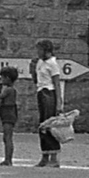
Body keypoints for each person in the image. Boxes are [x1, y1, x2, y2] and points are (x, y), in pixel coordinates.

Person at [30, 39, 64, 168]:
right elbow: (36, 80)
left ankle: (54, 158)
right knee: (42, 126)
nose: (38, 52)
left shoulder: (52, 64)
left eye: (40, 50)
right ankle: (44, 156)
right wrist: (32, 70)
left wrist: (59, 103)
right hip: (41, 92)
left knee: (50, 125)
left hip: (49, 93)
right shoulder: (40, 63)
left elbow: (56, 83)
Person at [0, 66, 20, 166]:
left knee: (8, 136)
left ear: (8, 78)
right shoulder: (10, 89)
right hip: (7, 112)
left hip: (8, 113)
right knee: (6, 137)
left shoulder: (9, 90)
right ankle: (7, 158)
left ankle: (8, 159)